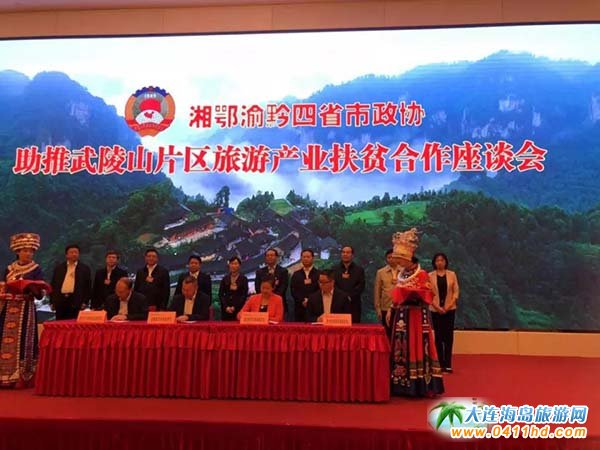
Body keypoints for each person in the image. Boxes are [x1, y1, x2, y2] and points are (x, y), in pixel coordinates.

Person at [386, 228, 444, 397]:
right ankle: (400, 382)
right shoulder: (402, 274)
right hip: (401, 315)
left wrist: (413, 294)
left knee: (417, 345)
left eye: (400, 260)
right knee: (401, 347)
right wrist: (391, 308)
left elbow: (429, 294)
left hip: (416, 316)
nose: (399, 263)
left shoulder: (422, 274)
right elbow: (396, 296)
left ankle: (419, 384)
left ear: (408, 259)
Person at [0, 233, 49, 388]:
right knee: (3, 339)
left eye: (31, 251)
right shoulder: (9, 269)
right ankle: (4, 375)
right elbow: (3, 287)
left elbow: (40, 294)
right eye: (25, 251)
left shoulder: (36, 269)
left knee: (24, 340)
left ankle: (22, 377)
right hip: (8, 308)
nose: (28, 254)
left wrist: (30, 287)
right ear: (18, 252)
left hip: (25, 309)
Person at [429, 252, 459, 373]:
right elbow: (428, 294)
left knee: (448, 336)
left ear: (446, 262)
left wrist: (448, 306)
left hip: (449, 310)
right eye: (437, 260)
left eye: (442, 260)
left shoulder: (452, 274)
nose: (440, 262)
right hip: (435, 310)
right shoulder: (429, 275)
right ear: (434, 262)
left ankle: (448, 364)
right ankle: (440, 363)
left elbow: (456, 292)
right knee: (438, 336)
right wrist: (437, 307)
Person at [50, 244, 92, 320]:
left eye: (76, 252)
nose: (74, 254)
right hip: (60, 301)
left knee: (74, 324)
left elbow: (88, 287)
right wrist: (52, 301)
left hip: (76, 301)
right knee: (60, 324)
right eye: (71, 252)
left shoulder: (84, 269)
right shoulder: (59, 268)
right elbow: (53, 285)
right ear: (66, 255)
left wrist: (85, 302)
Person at [333, 246, 365, 323]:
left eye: (348, 252)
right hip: (338, 303)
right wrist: (342, 297)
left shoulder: (359, 270)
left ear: (352, 255)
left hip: (354, 303)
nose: (345, 254)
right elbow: (333, 285)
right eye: (343, 252)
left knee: (354, 326)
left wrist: (349, 296)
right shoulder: (334, 269)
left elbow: (360, 286)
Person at [374, 249, 400, 338]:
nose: (391, 259)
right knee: (387, 333)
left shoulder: (404, 271)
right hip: (385, 306)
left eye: (393, 257)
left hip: (400, 306)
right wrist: (378, 308)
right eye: (389, 257)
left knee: (399, 333)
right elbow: (377, 291)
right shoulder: (380, 272)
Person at [254, 248, 289, 314]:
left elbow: (283, 287)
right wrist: (265, 297)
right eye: (268, 255)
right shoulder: (259, 272)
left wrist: (273, 298)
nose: (270, 257)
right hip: (263, 302)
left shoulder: (283, 271)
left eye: (272, 255)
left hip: (278, 302)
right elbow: (257, 287)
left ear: (276, 257)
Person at [290, 249, 320, 322]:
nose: (306, 259)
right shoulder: (296, 274)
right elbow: (293, 290)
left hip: (315, 307)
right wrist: (302, 301)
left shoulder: (319, 274)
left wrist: (310, 301)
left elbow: (319, 290)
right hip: (299, 307)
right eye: (304, 257)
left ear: (313, 258)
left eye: (308, 257)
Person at [218, 256, 248, 321]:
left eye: (235, 264)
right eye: (232, 264)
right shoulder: (225, 278)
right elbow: (221, 294)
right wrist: (226, 307)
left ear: (239, 266)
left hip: (238, 309)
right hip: (226, 309)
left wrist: (235, 307)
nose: (233, 266)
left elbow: (244, 295)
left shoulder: (243, 279)